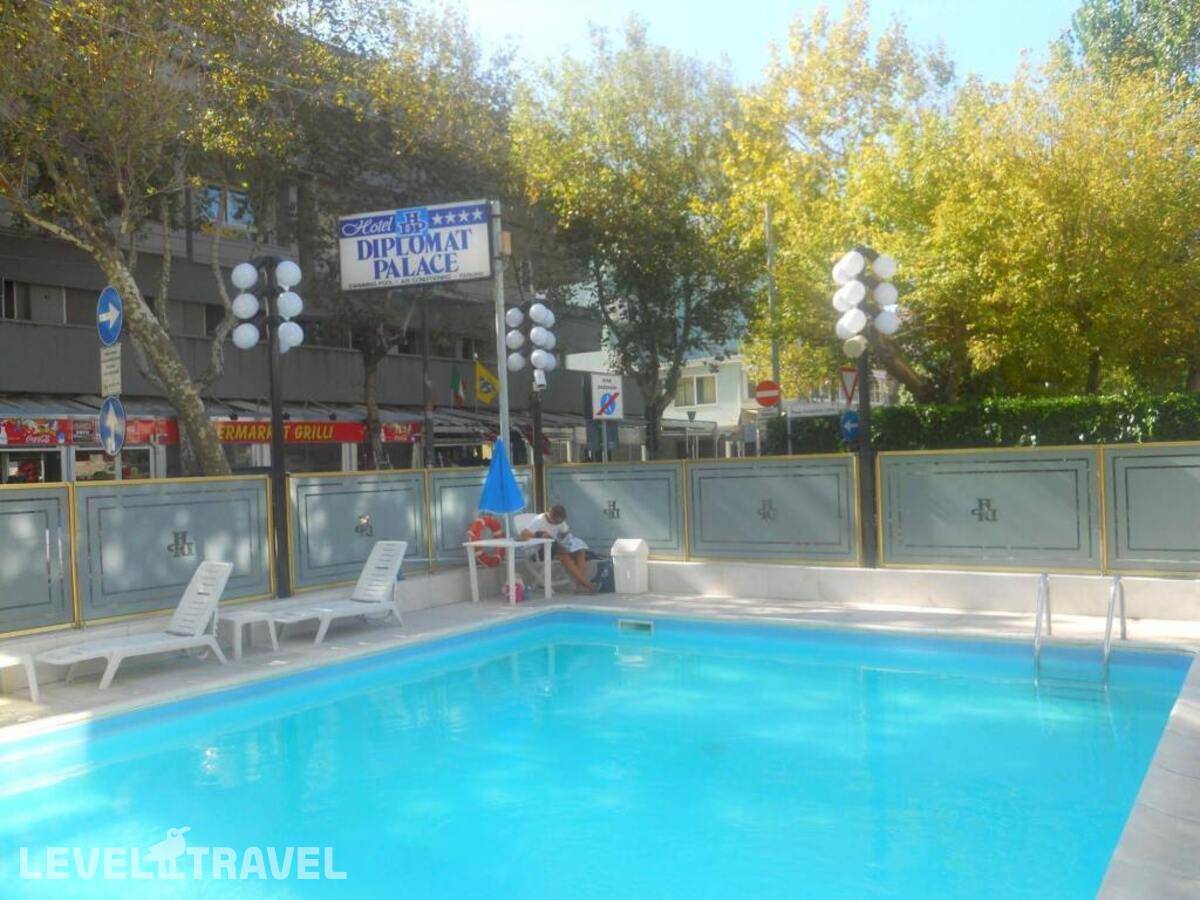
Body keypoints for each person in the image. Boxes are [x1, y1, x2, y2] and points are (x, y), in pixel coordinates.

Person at [519, 504, 595, 592]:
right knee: (563, 556)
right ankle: (587, 584)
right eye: (555, 522)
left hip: (554, 547)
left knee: (580, 551)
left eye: (559, 523)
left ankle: (580, 585)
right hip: (538, 552)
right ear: (550, 515)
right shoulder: (539, 520)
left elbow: (565, 532)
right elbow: (523, 534)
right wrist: (539, 535)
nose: (557, 524)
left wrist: (565, 538)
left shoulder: (560, 521)